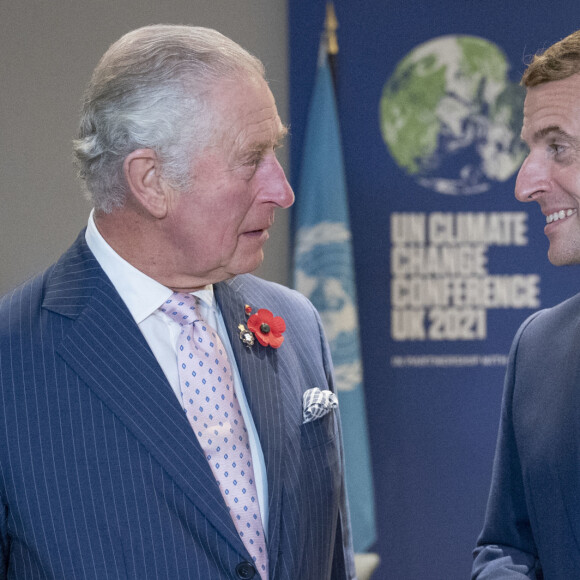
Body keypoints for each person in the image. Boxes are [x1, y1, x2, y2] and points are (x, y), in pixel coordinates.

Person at [0, 25, 355, 580]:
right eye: (251, 157)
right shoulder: (12, 361)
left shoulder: (298, 326)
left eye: (275, 153)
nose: (280, 189)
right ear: (150, 181)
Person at [472, 29, 580, 578]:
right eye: (528, 149)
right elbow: (508, 546)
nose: (524, 183)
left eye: (557, 146)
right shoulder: (538, 346)